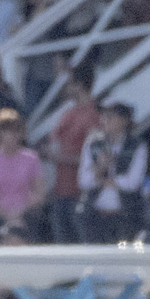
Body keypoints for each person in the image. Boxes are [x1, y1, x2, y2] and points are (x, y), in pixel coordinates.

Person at [44, 65, 103, 244]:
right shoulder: (68, 112)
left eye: (70, 83)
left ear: (79, 85)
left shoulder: (94, 116)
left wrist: (59, 157)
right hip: (60, 190)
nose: (66, 88)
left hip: (80, 193)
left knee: (82, 245)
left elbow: (96, 159)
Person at [78, 101, 149, 243]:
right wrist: (100, 167)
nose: (105, 120)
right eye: (103, 116)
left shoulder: (136, 146)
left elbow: (132, 183)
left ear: (124, 120)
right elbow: (84, 181)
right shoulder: (92, 143)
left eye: (111, 116)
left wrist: (102, 181)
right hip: (95, 216)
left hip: (124, 217)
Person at [0, 108, 46, 243]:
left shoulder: (31, 158)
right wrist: (6, 215)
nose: (11, 135)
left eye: (15, 130)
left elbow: (40, 193)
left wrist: (19, 212)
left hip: (25, 214)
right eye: (6, 130)